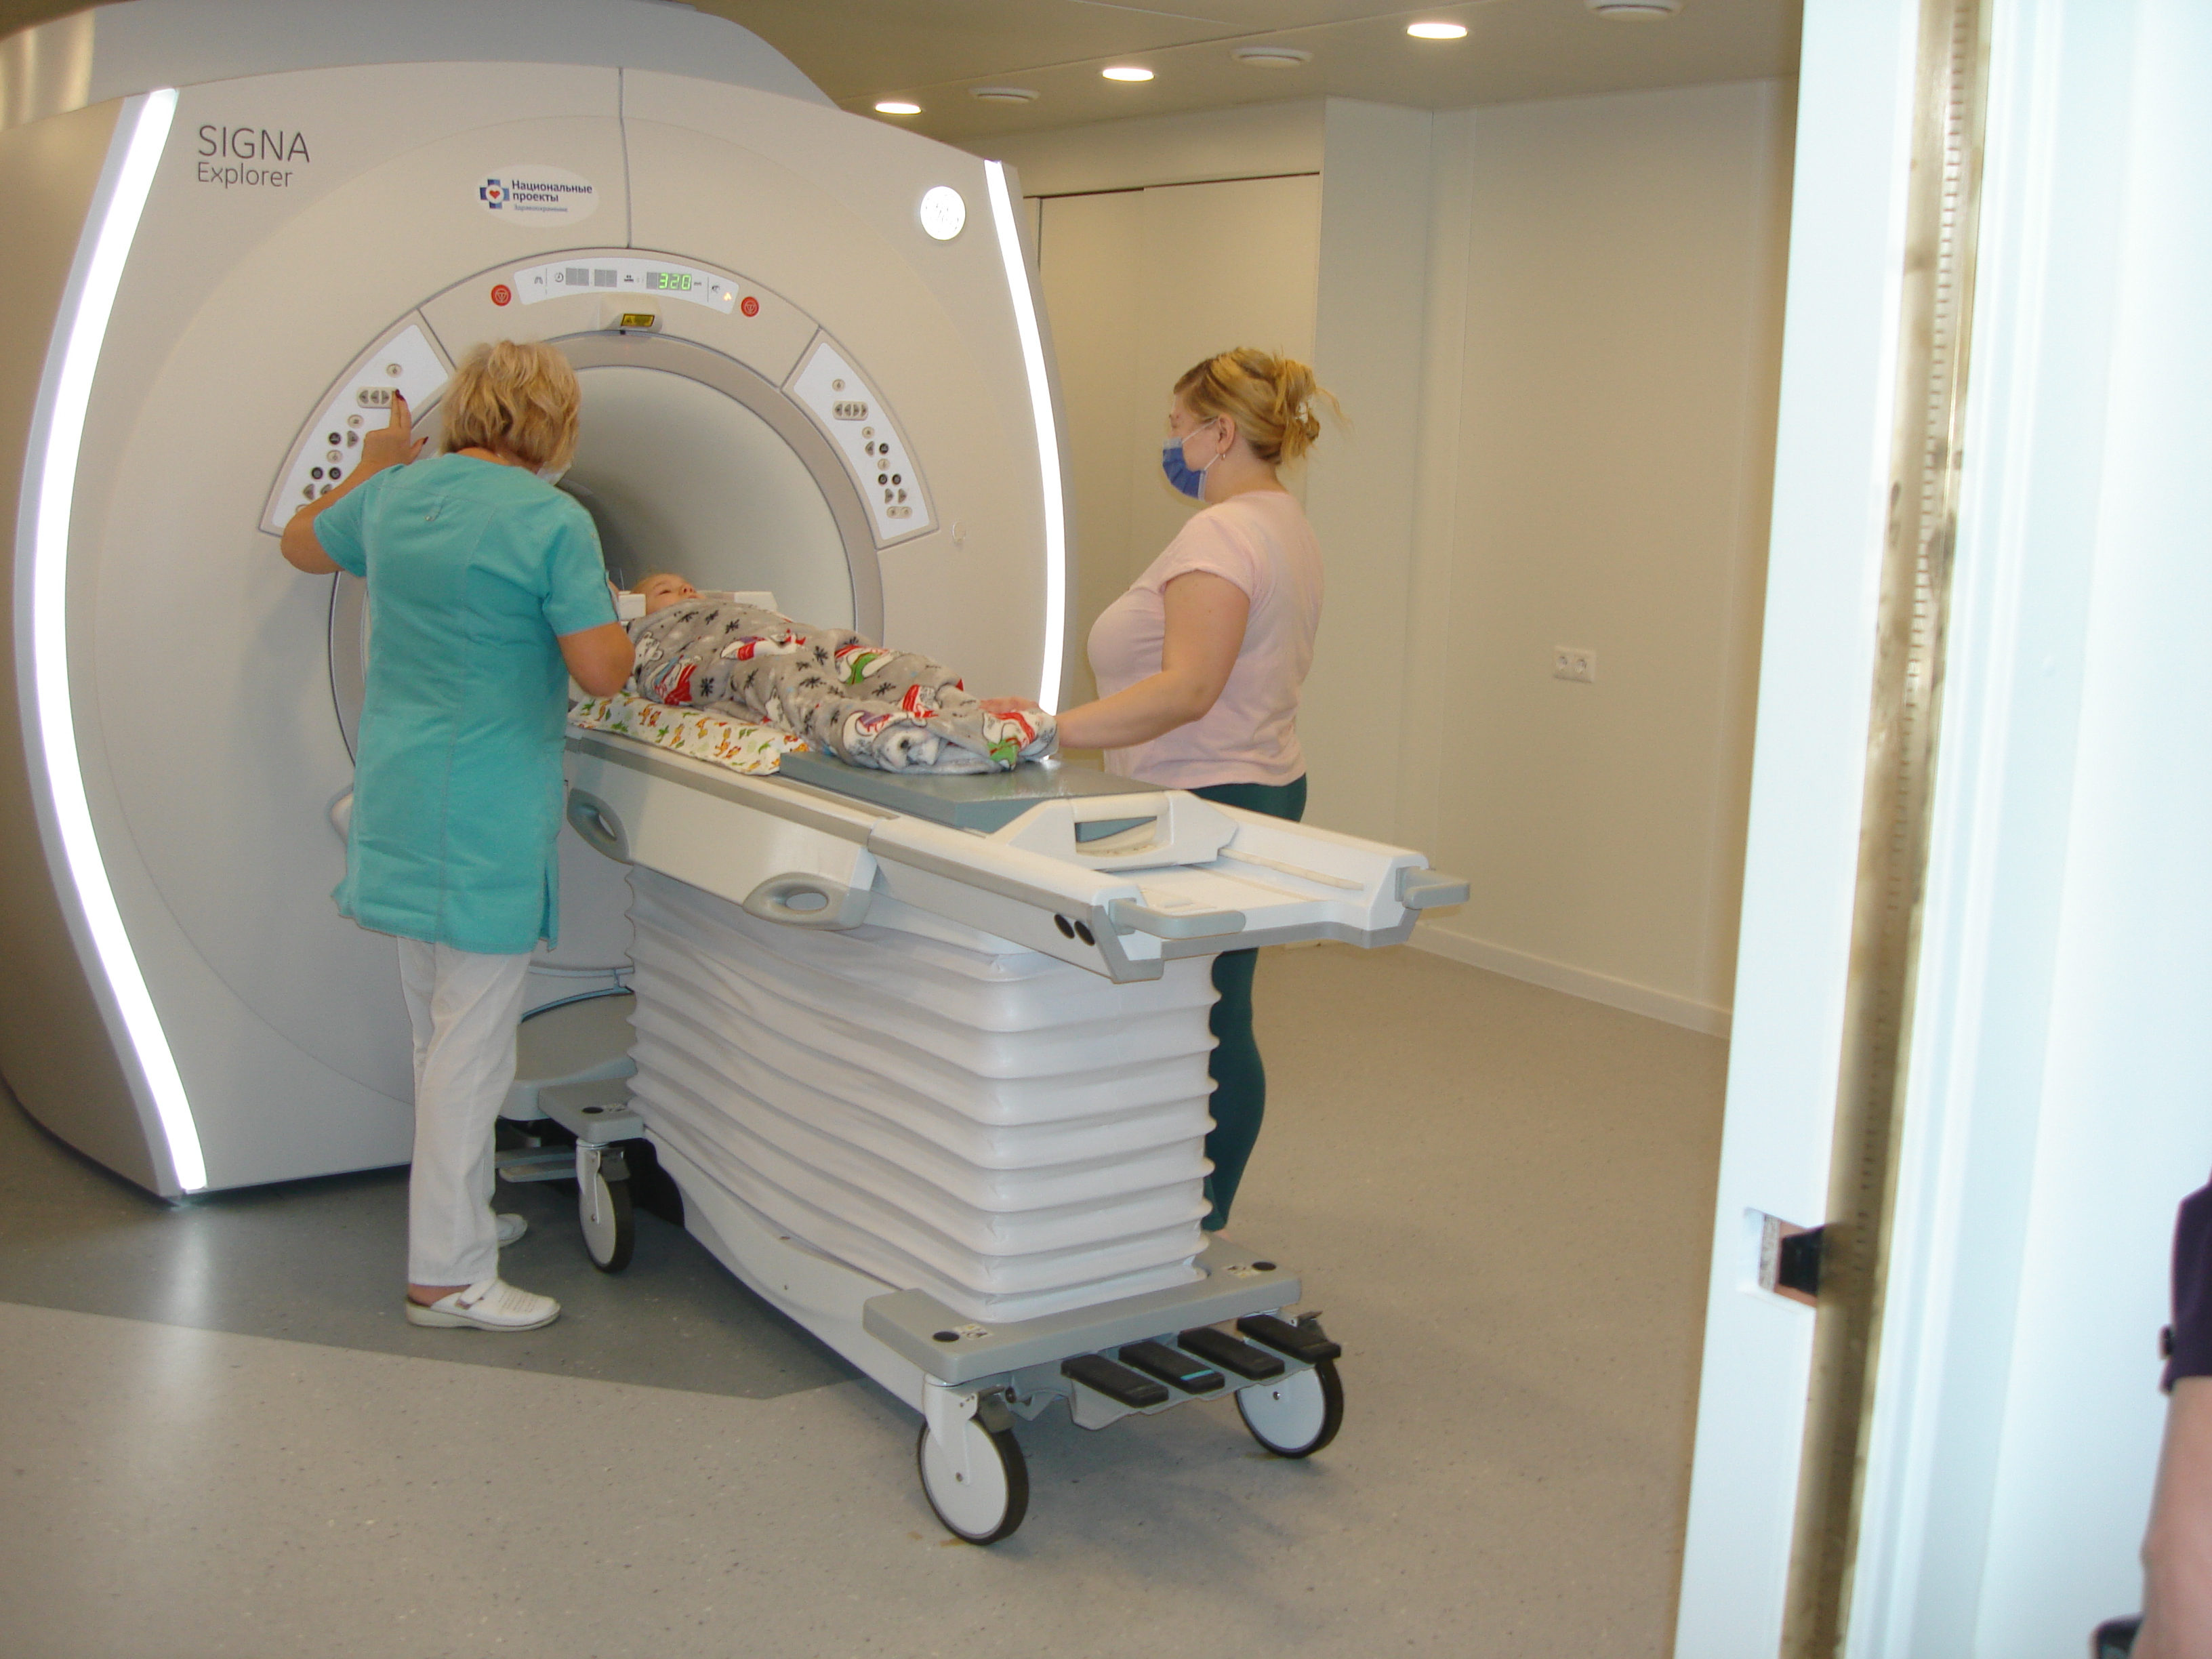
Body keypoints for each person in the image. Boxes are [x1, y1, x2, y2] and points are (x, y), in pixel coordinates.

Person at [280, 340, 632, 1332]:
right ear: (554, 424)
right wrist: (642, 615)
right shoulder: (553, 521)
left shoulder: (395, 497)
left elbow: (301, 546)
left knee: (436, 1033)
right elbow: (602, 671)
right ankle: (448, 1276)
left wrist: (372, 462)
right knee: (471, 1048)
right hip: (482, 808)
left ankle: (460, 1218)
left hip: (398, 793)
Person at [988, 348, 1339, 1231]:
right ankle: (1188, 1205)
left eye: (1179, 425)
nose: (1171, 442)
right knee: (1216, 1007)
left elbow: (1188, 688)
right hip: (1257, 783)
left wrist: (1044, 731)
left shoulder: (1221, 535)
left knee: (1199, 1015)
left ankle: (1185, 1210)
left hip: (1206, 800)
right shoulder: (1285, 522)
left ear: (1221, 433)